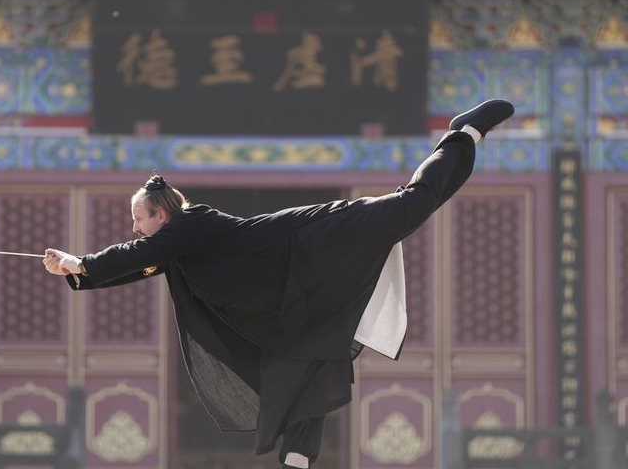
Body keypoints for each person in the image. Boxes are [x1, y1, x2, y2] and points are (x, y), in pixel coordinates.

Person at [43, 99, 515, 469]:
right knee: (311, 358)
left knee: (410, 205)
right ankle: (297, 459)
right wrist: (78, 272)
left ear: (161, 215)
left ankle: (462, 134)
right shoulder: (179, 247)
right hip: (301, 290)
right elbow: (141, 265)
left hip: (320, 237)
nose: (134, 228)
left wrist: (82, 262)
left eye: (138, 219)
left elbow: (136, 254)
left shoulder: (189, 223)